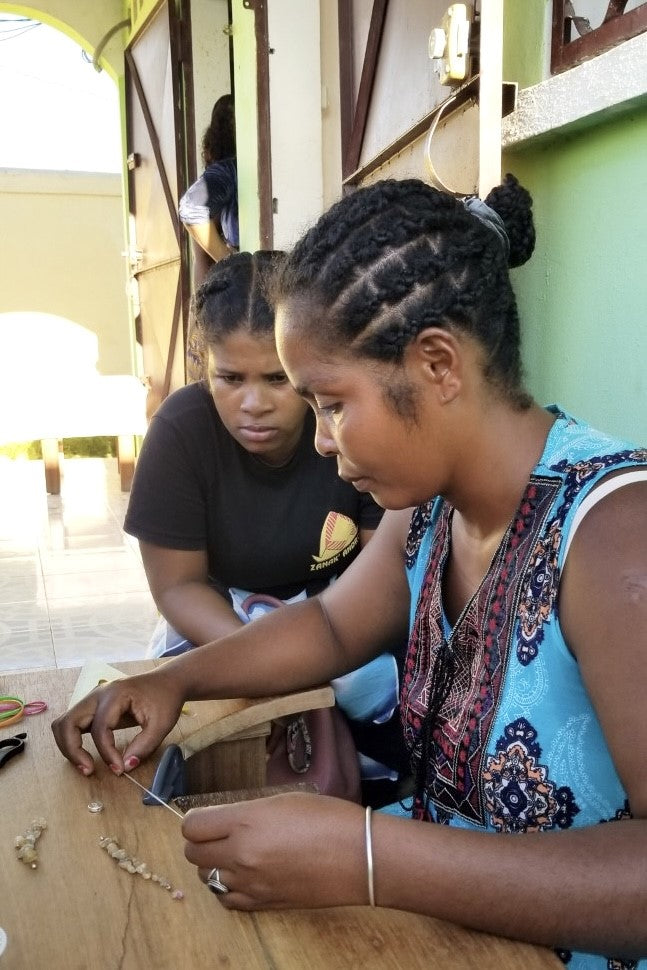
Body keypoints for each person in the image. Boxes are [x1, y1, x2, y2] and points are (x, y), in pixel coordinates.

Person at [52, 176, 647, 969]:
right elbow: (332, 625)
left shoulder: (614, 535)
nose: (323, 441)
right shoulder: (429, 509)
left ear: (437, 365)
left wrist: (370, 854)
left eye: (330, 403)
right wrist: (176, 681)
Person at [122, 249, 406, 788]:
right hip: (217, 614)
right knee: (185, 726)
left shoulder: (350, 427)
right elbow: (179, 588)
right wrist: (261, 665)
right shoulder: (181, 432)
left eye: (278, 380)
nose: (253, 403)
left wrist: (305, 657)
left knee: (377, 695)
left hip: (342, 606)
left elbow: (382, 572)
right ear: (203, 366)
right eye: (230, 377)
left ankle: (376, 797)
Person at [179, 93, 238, 381]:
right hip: (228, 292)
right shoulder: (230, 171)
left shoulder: (224, 172)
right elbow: (191, 209)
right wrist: (230, 259)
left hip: (210, 293)